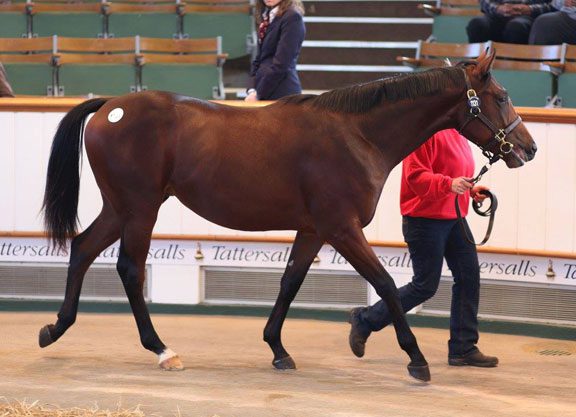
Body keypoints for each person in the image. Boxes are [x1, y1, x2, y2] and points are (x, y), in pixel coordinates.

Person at [348, 129, 499, 368]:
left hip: (454, 218)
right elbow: (416, 177)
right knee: (425, 286)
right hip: (424, 220)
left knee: (469, 278)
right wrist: (449, 184)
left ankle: (463, 348)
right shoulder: (423, 134)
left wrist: (469, 189)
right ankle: (365, 319)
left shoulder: (457, 133)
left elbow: (452, 172)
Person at [245, 0, 305, 101]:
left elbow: (281, 64)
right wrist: (251, 89)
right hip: (262, 89)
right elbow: (259, 59)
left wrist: (258, 94)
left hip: (281, 92)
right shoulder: (268, 15)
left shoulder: (292, 17)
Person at [467, 0, 553, 44]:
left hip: (529, 15)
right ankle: (477, 68)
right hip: (497, 13)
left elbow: (553, 4)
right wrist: (497, 8)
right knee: (477, 24)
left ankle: (516, 67)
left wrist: (530, 9)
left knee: (516, 27)